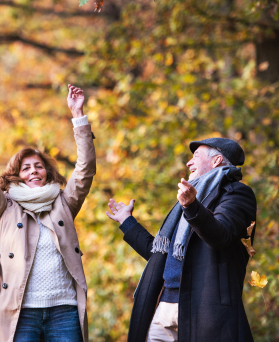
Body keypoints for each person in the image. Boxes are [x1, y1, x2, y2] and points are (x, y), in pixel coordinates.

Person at [0, 85, 96, 342]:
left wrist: (78, 114)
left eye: (39, 166)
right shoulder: (5, 208)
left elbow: (85, 169)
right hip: (20, 312)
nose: (34, 171)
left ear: (47, 172)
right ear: (16, 176)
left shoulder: (63, 203)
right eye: (26, 168)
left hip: (63, 310)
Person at [106, 138, 257, 342]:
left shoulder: (237, 193)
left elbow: (220, 235)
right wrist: (127, 222)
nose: (188, 163)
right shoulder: (187, 201)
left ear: (217, 160)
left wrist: (193, 206)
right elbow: (159, 255)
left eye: (195, 156)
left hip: (203, 311)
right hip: (164, 306)